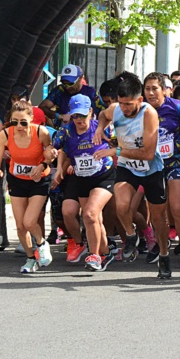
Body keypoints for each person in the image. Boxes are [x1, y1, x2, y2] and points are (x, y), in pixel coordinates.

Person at [94, 73, 168, 274]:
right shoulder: (116, 109)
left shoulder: (148, 114)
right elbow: (102, 115)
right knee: (122, 203)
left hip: (151, 168)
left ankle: (163, 254)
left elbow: (148, 153)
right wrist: (100, 129)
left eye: (129, 104)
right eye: (122, 103)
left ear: (140, 100)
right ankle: (131, 235)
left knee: (159, 218)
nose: (125, 108)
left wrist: (115, 151)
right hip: (128, 166)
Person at [52, 94, 118, 271]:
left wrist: (109, 152)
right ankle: (105, 253)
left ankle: (94, 255)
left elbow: (123, 147)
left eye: (82, 115)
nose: (79, 120)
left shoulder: (102, 128)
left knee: (89, 213)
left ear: (91, 112)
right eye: (75, 116)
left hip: (104, 176)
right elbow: (56, 148)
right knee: (94, 219)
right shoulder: (66, 131)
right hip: (82, 178)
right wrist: (57, 164)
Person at [0, 100, 56, 273]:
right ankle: (30, 258)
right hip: (17, 180)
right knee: (20, 226)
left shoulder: (41, 132)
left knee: (29, 221)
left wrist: (42, 165)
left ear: (32, 119)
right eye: (15, 122)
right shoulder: (5, 134)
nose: (19, 126)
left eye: (23, 122)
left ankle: (42, 244)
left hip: (38, 180)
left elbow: (50, 156)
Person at [143, 72, 180, 272]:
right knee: (158, 211)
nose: (150, 93)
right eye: (147, 89)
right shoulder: (141, 110)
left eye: (154, 88)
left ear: (165, 90)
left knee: (177, 207)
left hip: (177, 163)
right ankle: (161, 246)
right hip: (152, 165)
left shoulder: (178, 107)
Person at [39, 64, 105, 125]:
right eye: (64, 83)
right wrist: (58, 116)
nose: (67, 87)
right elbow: (43, 106)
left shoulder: (91, 93)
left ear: (80, 78)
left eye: (70, 83)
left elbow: (103, 112)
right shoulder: (59, 90)